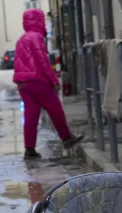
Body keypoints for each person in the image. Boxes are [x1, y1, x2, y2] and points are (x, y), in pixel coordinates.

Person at [14, 9, 82, 160]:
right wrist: (53, 80)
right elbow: (43, 61)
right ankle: (67, 138)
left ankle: (29, 149)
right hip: (38, 81)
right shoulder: (37, 37)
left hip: (23, 83)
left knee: (31, 115)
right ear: (39, 20)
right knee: (55, 109)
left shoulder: (21, 39)